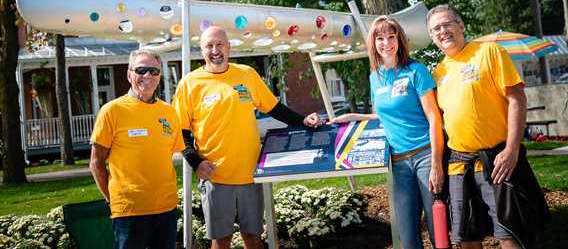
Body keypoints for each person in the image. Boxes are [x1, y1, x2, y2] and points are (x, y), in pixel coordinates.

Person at [173, 26, 322, 249]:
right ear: (201, 50)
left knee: (252, 237)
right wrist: (195, 162)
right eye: (209, 46)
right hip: (215, 175)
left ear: (229, 47)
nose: (215, 50)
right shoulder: (189, 83)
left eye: (220, 44)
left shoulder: (247, 74)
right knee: (220, 241)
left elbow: (275, 108)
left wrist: (302, 121)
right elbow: (181, 131)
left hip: (251, 173)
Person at [427, 4, 549, 249]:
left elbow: (517, 98)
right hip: (459, 165)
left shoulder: (489, 52)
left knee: (509, 233)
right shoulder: (437, 72)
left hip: (497, 159)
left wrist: (512, 149)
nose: (443, 31)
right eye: (436, 28)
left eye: (447, 24)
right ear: (432, 36)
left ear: (460, 26)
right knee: (467, 238)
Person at [331, 16, 444, 249]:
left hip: (425, 155)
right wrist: (355, 117)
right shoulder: (376, 77)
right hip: (398, 163)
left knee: (438, 231)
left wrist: (436, 164)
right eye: (380, 38)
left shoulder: (416, 71)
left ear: (399, 40)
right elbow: (387, 115)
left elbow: (434, 117)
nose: (386, 43)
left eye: (391, 37)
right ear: (373, 43)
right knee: (408, 236)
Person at [90, 49, 184, 249]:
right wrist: (112, 199)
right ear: (129, 74)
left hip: (166, 208)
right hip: (129, 212)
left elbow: (165, 154)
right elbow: (96, 162)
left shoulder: (170, 113)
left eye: (154, 71)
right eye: (141, 70)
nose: (148, 76)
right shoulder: (112, 111)